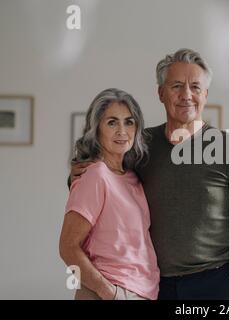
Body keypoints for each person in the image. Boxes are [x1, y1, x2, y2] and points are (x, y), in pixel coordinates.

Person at [70, 49, 229, 300]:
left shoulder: (228, 147)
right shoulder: (140, 145)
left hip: (214, 282)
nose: (186, 95)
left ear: (205, 94)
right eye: (176, 86)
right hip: (155, 286)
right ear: (160, 93)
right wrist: (76, 172)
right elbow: (103, 179)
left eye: (195, 87)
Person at [60, 88, 159, 300]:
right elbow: (67, 247)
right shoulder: (95, 175)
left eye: (129, 122)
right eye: (112, 122)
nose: (122, 130)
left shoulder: (133, 177)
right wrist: (108, 292)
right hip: (109, 291)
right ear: (96, 130)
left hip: (142, 291)